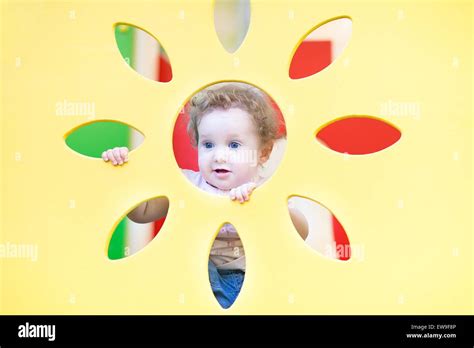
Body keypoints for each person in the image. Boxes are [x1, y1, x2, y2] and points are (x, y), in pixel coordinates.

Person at [102, 82, 308, 309]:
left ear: (264, 153)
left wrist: (262, 204)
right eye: (208, 144)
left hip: (244, 282)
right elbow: (141, 212)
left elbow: (301, 230)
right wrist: (124, 171)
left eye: (234, 145)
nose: (219, 156)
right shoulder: (187, 184)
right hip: (195, 279)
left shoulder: (264, 191)